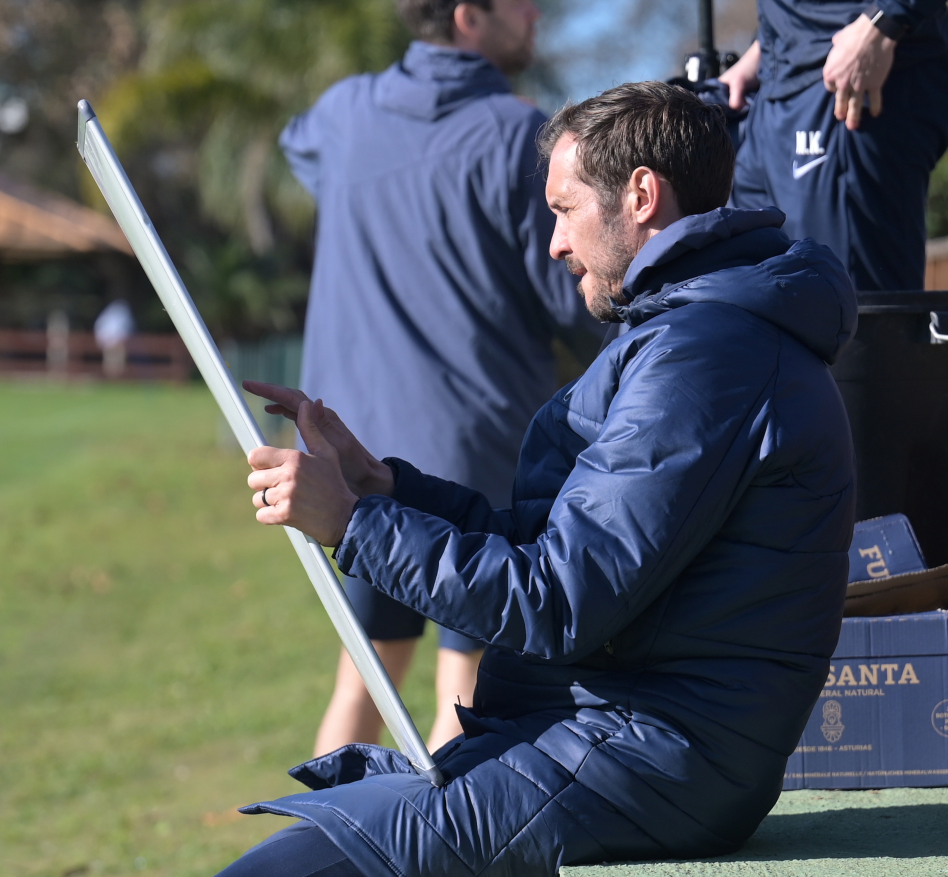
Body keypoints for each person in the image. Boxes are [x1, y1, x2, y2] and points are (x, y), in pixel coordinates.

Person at [217, 82, 858, 877]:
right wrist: (384, 487)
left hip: (651, 753)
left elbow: (558, 599)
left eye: (564, 208)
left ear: (642, 196)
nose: (554, 242)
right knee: (321, 832)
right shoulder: (691, 335)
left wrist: (353, 525)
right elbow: (559, 541)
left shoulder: (706, 354)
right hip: (621, 731)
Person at [278, 0, 602, 756]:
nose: (537, 16)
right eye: (522, 4)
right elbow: (575, 300)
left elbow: (304, 152)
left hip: (350, 450)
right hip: (475, 457)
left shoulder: (343, 114)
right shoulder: (518, 136)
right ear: (468, 16)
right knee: (466, 691)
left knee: (362, 678)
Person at [721, 0, 948, 291]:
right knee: (753, 304)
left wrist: (885, 21)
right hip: (778, 78)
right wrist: (763, 48)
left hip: (855, 79)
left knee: (847, 312)